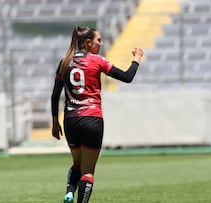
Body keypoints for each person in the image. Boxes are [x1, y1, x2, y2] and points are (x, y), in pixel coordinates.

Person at [51, 26, 143, 203]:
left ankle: (70, 191)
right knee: (87, 171)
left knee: (77, 164)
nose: (101, 43)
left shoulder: (65, 62)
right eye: (98, 40)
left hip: (70, 120)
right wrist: (137, 59)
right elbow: (127, 77)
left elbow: (55, 95)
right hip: (92, 119)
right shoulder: (97, 61)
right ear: (88, 42)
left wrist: (55, 123)